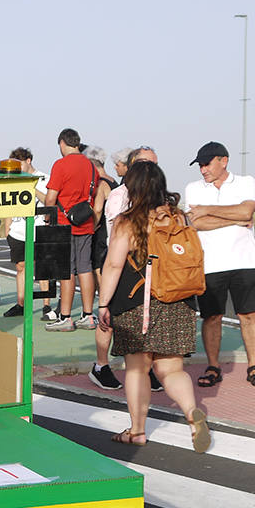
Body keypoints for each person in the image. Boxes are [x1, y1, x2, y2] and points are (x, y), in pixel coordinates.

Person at [97, 161, 210, 453]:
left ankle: (136, 431)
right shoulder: (179, 217)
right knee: (172, 368)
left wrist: (103, 303)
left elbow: (113, 264)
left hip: (137, 301)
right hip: (178, 299)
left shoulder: (127, 221)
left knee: (137, 368)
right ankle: (192, 415)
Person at [184, 141, 255, 388]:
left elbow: (247, 212)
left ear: (224, 160)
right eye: (200, 165)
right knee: (211, 317)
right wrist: (237, 217)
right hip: (209, 264)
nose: (203, 170)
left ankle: (254, 365)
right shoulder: (193, 188)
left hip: (245, 261)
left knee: (249, 315)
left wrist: (208, 210)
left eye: (207, 164)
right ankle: (213, 366)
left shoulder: (246, 182)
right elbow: (196, 224)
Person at [101, 146, 162, 393]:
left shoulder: (159, 200)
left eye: (154, 164)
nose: (150, 168)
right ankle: (101, 365)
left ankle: (146, 372)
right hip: (125, 267)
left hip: (151, 271)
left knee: (145, 330)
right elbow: (118, 243)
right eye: (145, 163)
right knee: (109, 319)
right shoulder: (119, 197)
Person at [44, 128, 102, 331]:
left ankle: (66, 317)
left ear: (62, 143)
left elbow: (51, 198)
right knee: (85, 268)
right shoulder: (91, 166)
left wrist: (46, 216)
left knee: (66, 271)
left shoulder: (60, 165)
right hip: (85, 222)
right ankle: (88, 314)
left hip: (63, 223)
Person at [84, 145, 120, 390]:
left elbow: (97, 209)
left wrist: (89, 229)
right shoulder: (116, 181)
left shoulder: (100, 182)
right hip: (114, 245)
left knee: (105, 300)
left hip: (103, 244)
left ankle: (101, 364)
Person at [2, 148, 49, 318]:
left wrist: (32, 186)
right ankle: (20, 303)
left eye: (20, 163)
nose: (18, 168)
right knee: (20, 267)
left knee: (42, 268)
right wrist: (7, 230)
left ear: (28, 161)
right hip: (18, 231)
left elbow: (48, 200)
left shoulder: (44, 178)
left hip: (39, 229)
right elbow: (9, 205)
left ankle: (46, 305)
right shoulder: (13, 180)